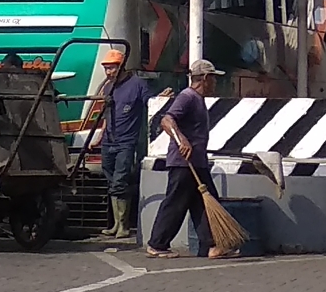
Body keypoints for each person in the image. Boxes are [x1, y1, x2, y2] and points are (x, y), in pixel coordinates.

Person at [147, 59, 236, 260]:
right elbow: (166, 120)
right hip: (184, 162)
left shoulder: (198, 99)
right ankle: (157, 244)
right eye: (213, 78)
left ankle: (212, 245)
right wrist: (182, 140)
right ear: (204, 78)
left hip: (197, 162)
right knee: (176, 203)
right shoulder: (187, 97)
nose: (215, 82)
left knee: (205, 203)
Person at [91, 49, 164, 240]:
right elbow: (107, 115)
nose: (108, 72)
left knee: (120, 181)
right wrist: (99, 136)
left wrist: (161, 99)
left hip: (127, 142)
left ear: (122, 66)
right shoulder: (108, 87)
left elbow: (152, 103)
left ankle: (123, 225)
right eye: (106, 68)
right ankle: (116, 223)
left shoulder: (138, 85)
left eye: (112, 68)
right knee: (111, 180)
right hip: (109, 141)